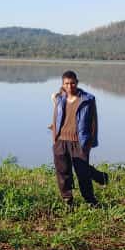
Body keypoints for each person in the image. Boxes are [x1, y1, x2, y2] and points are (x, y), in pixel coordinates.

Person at [50, 70, 108, 208]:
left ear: (77, 82)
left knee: (82, 172)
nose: (70, 86)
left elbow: (94, 122)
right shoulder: (59, 99)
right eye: (66, 84)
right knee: (62, 171)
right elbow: (55, 118)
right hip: (61, 141)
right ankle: (67, 200)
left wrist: (90, 143)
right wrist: (55, 139)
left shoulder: (88, 99)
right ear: (63, 84)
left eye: (72, 83)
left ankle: (90, 200)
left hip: (79, 141)